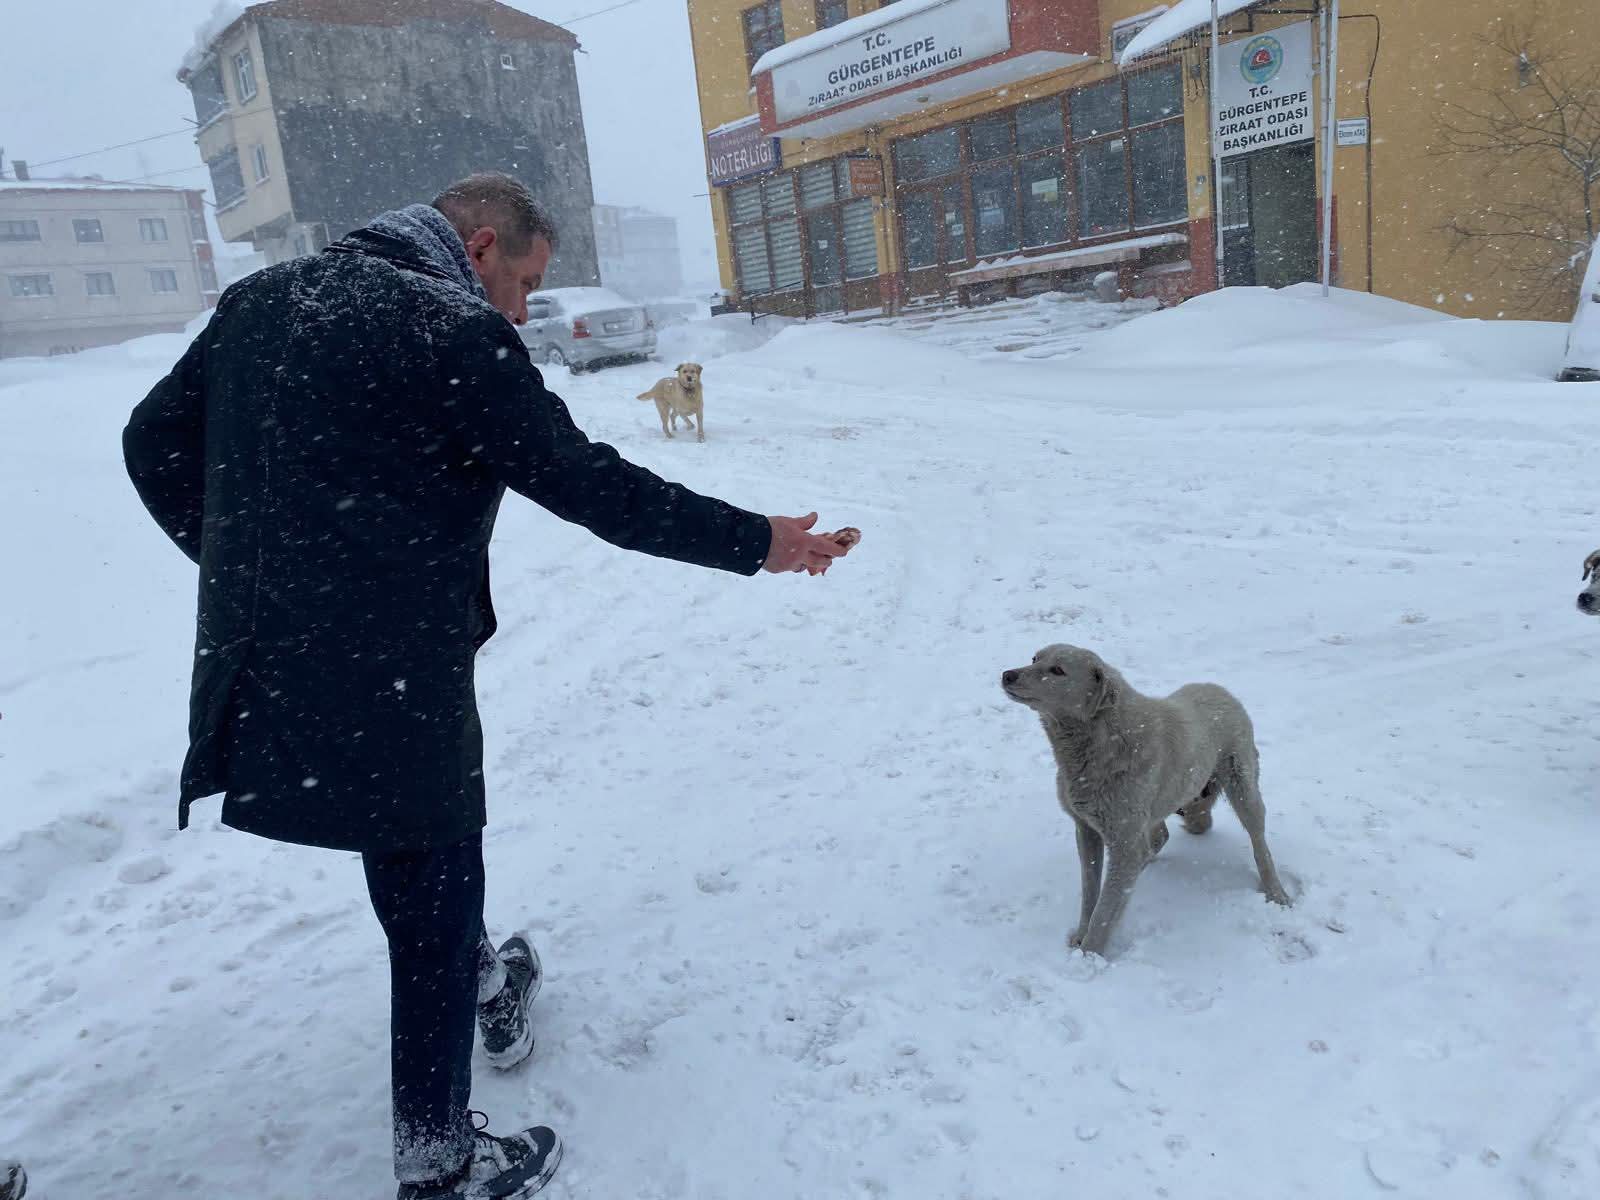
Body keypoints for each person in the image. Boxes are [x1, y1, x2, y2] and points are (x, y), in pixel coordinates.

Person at [122, 173, 850, 1200]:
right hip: (391, 662)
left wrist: (262, 575)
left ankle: (482, 977)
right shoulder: (450, 331)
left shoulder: (265, 299)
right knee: (431, 871)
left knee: (400, 838)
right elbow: (590, 484)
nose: (520, 307)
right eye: (526, 281)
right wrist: (755, 540)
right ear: (478, 249)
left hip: (283, 650)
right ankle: (441, 1168)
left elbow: (150, 442)